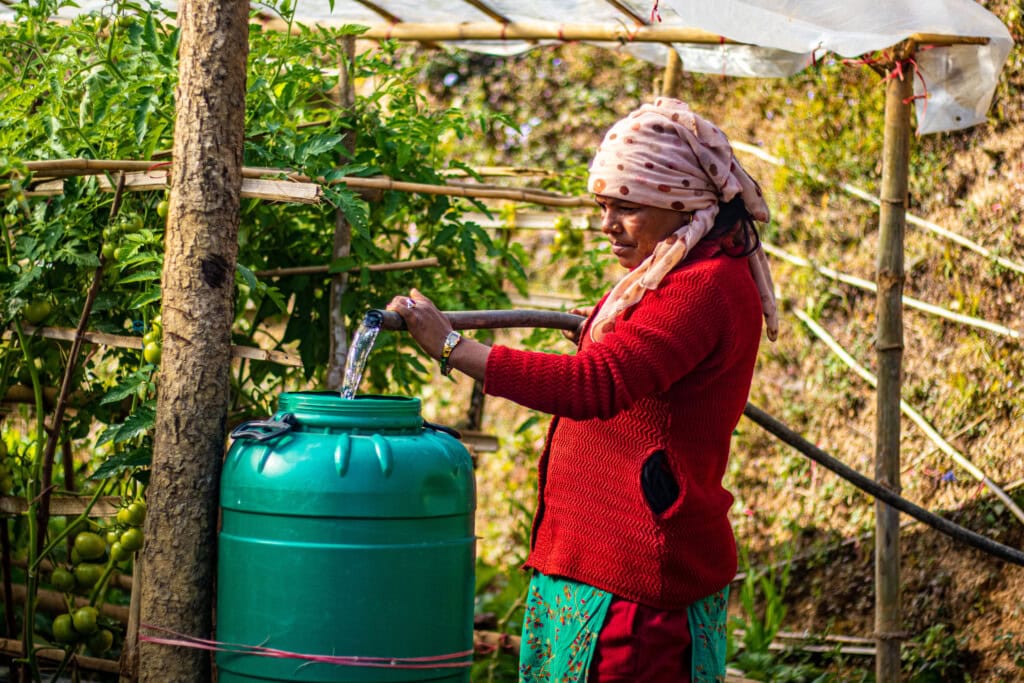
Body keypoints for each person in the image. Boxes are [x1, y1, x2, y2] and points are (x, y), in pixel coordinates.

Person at [387, 98, 777, 683]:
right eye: (602, 205)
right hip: (604, 557)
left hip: (639, 579)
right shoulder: (672, 273)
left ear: (682, 203)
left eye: (627, 207)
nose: (607, 225)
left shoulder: (704, 288)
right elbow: (643, 360)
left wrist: (452, 347)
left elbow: (595, 385)